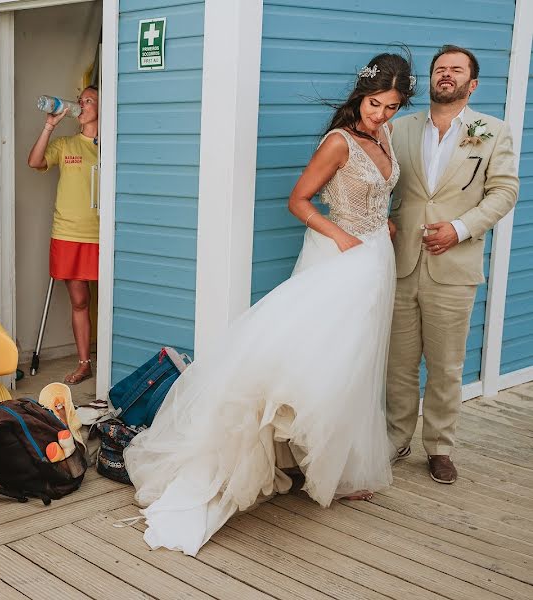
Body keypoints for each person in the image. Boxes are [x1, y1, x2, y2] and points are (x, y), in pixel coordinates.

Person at [124, 53, 414, 556]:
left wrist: (381, 222)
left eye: (391, 107)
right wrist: (344, 237)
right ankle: (284, 459)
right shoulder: (339, 141)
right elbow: (299, 201)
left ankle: (334, 468)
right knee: (314, 362)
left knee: (354, 364)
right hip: (340, 260)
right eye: (375, 104)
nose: (381, 115)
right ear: (359, 95)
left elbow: (375, 196)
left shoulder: (385, 136)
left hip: (376, 261)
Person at [387, 45, 519, 484]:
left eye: (456, 70)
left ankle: (440, 448)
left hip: (454, 266)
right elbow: (384, 184)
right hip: (402, 263)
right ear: (431, 79)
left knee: (445, 367)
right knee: (399, 363)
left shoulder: (492, 131)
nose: (446, 75)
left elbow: (503, 192)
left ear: (472, 83)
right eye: (440, 69)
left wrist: (460, 228)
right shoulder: (399, 128)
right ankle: (395, 438)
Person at [27, 86, 100, 385]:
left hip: (102, 235)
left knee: (112, 300)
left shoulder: (113, 146)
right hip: (68, 232)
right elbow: (35, 161)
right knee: (79, 301)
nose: (81, 105)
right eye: (80, 100)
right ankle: (84, 363)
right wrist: (49, 125)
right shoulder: (66, 145)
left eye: (89, 101)